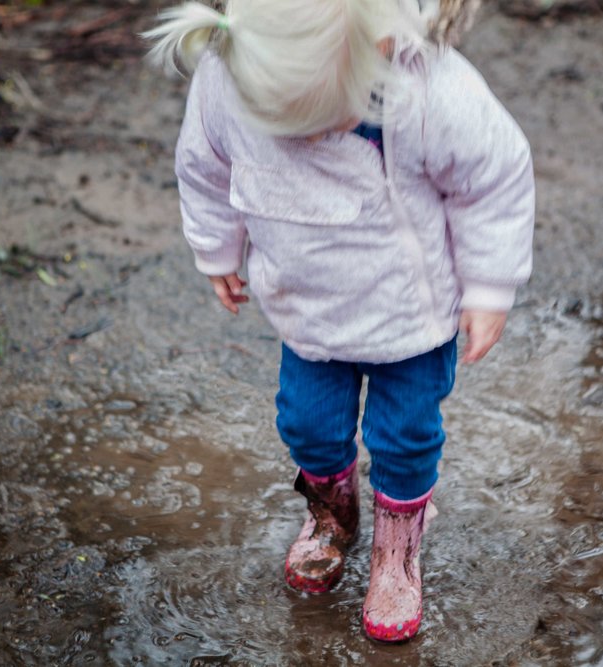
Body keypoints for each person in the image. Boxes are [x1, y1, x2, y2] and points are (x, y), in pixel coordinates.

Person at [145, 0, 534, 643]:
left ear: (378, 51)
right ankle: (333, 514)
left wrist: (490, 286)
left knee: (404, 436)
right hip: (309, 310)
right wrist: (216, 248)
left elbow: (492, 179)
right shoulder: (227, 74)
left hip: (410, 316)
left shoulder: (428, 88)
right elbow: (206, 167)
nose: (301, 140)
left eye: (317, 116)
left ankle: (396, 547)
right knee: (307, 427)